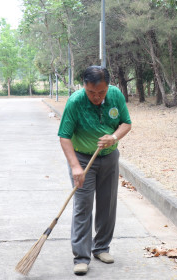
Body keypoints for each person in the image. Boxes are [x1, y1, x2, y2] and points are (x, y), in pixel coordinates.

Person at [58, 65, 132, 275]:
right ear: (84, 87)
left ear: (108, 87)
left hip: (109, 157)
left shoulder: (115, 95)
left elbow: (126, 123)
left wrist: (114, 137)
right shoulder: (75, 102)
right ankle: (81, 256)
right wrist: (75, 167)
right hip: (82, 159)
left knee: (107, 204)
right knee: (83, 205)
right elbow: (64, 136)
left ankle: (101, 248)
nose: (96, 97)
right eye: (91, 92)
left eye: (101, 92)